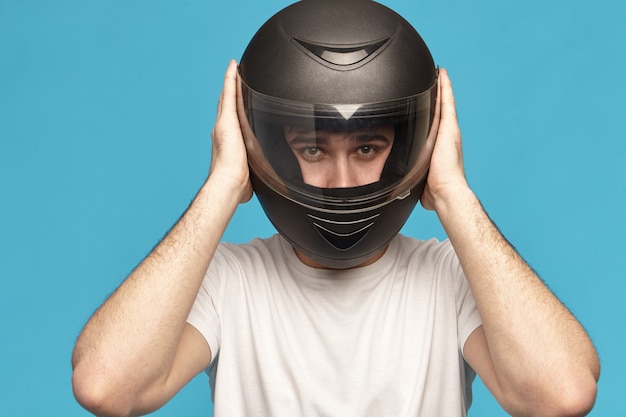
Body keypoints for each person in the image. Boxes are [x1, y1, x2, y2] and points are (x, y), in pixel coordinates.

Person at [71, 1, 600, 416]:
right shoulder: (229, 281)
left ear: (416, 144)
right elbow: (105, 387)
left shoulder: (449, 277)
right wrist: (224, 182)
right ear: (268, 146)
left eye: (368, 148)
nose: (343, 181)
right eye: (313, 149)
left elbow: (562, 396)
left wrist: (454, 192)